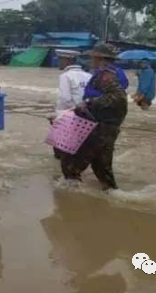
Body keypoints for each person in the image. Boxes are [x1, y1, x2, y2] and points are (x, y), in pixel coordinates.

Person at [60, 43, 128, 190]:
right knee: (102, 168)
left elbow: (119, 98)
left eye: (93, 56)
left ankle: (67, 199)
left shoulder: (106, 75)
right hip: (106, 126)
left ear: (99, 58)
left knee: (70, 163)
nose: (91, 59)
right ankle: (111, 197)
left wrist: (89, 101)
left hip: (99, 127)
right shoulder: (110, 72)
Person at [54, 50, 92, 116]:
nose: (57, 62)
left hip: (73, 115)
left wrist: (58, 115)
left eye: (60, 60)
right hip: (88, 113)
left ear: (68, 60)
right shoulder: (89, 75)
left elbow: (64, 99)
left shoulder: (65, 76)